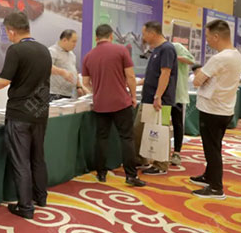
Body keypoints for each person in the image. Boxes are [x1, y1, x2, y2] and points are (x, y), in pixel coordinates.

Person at [0, 12, 51, 219]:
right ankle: (41, 197)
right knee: (38, 157)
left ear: (11, 31)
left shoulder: (16, 50)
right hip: (40, 112)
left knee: (20, 161)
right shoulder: (44, 50)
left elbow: (4, 79)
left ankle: (25, 207)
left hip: (20, 113)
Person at [81, 24, 145, 187]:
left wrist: (97, 91)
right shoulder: (121, 50)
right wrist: (132, 96)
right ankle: (130, 175)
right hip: (121, 102)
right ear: (111, 36)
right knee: (126, 138)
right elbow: (130, 76)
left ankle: (101, 173)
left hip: (100, 104)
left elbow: (85, 82)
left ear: (96, 38)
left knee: (101, 138)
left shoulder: (88, 56)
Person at [190, 19, 241, 199]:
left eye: (207, 37)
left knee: (211, 149)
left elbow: (197, 81)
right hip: (224, 108)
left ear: (216, 36)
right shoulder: (236, 55)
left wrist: (198, 73)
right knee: (215, 146)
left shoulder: (219, 58)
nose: (206, 41)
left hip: (212, 109)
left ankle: (216, 188)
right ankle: (209, 176)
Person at [140, 21, 178, 176]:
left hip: (161, 100)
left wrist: (158, 96)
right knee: (151, 131)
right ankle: (151, 160)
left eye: (144, 34)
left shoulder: (167, 49)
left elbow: (165, 73)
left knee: (160, 131)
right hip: (150, 97)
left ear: (152, 33)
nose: (143, 37)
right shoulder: (157, 49)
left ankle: (161, 164)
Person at [171, 42, 195, 166]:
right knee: (161, 124)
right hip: (163, 95)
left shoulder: (176, 46)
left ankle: (177, 152)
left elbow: (191, 60)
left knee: (177, 124)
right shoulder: (156, 50)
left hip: (177, 95)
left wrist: (175, 57)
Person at [49, 29, 86, 101]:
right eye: (73, 41)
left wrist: (79, 86)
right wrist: (62, 72)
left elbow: (74, 70)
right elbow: (47, 67)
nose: (75, 44)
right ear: (64, 40)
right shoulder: (52, 51)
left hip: (69, 93)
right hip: (55, 94)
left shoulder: (72, 54)